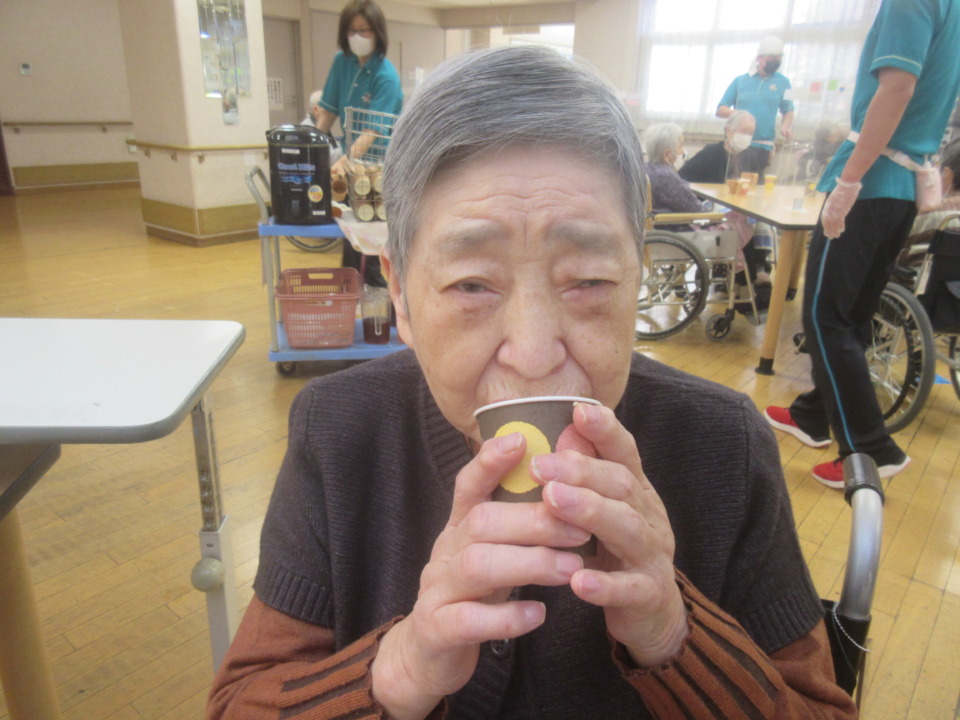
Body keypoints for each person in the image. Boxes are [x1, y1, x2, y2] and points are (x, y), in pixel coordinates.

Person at [206, 46, 856, 720]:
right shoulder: (338, 431)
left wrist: (674, 635)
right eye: (472, 285)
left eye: (589, 281)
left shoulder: (725, 445)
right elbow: (238, 702)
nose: (535, 355)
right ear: (400, 293)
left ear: (637, 276)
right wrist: (401, 669)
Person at [765, 0, 960, 490]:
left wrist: (849, 180)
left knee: (824, 316)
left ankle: (870, 449)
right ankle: (813, 414)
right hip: (900, 188)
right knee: (850, 314)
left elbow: (897, 88)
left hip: (872, 181)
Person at [314, 0, 402, 286]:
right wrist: (312, 150)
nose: (359, 37)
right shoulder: (343, 63)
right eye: (353, 31)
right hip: (351, 168)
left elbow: (372, 130)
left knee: (372, 254)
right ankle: (350, 298)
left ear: (378, 33)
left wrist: (343, 162)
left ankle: (382, 307)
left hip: (378, 174)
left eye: (365, 30)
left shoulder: (386, 76)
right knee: (350, 246)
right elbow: (327, 112)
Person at [717, 36, 795, 183]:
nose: (775, 61)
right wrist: (741, 115)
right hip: (739, 144)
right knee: (734, 181)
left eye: (778, 58)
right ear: (759, 58)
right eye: (771, 57)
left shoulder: (785, 83)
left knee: (754, 184)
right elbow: (721, 110)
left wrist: (785, 127)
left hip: (763, 147)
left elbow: (789, 110)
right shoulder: (740, 81)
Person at [643, 122, 706, 214]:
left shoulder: (645, 169)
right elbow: (696, 209)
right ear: (667, 154)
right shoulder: (666, 176)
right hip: (672, 222)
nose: (683, 151)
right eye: (680, 146)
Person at [679, 110, 757, 184]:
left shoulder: (750, 156)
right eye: (744, 131)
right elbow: (682, 177)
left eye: (751, 133)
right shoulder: (710, 152)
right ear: (728, 131)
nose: (747, 136)